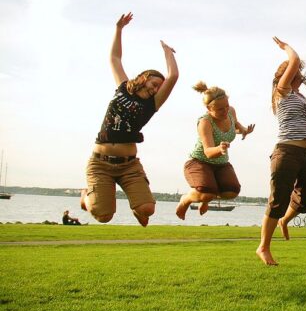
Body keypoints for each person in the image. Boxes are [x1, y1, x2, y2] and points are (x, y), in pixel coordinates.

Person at [81, 12, 178, 226]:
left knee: (148, 209)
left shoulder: (152, 105)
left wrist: (167, 52)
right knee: (103, 216)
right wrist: (119, 29)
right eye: (154, 83)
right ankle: (85, 197)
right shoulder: (123, 88)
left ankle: (138, 209)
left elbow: (173, 77)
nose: (156, 88)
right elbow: (115, 58)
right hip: (100, 163)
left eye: (159, 88)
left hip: (129, 166)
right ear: (143, 78)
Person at [257, 37, 306, 266]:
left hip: (304, 153)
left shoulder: (300, 97)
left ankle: (284, 222)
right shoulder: (281, 92)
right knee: (277, 200)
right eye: (296, 72)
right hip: (286, 151)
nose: (300, 74)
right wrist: (285, 48)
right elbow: (295, 59)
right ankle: (263, 247)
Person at [175, 82, 254, 220]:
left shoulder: (230, 112)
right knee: (206, 193)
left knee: (232, 191)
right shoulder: (205, 122)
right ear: (209, 108)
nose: (225, 111)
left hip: (221, 163)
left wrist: (244, 131)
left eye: (226, 106)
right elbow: (208, 152)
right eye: (220, 109)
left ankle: (207, 197)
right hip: (199, 162)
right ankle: (186, 199)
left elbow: (236, 125)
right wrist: (220, 148)